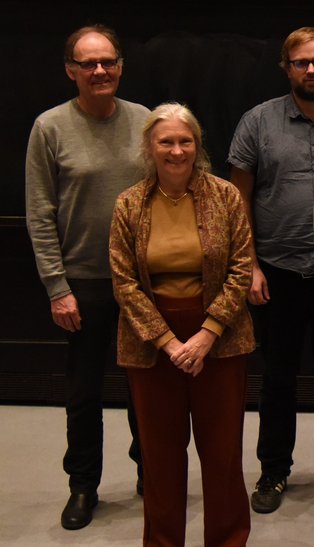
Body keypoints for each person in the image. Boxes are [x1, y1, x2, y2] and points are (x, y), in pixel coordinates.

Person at [110, 103, 255, 546]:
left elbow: (241, 268)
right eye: (166, 142)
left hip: (220, 341)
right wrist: (171, 343)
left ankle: (227, 539)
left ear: (198, 145)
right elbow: (125, 282)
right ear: (150, 147)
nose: (176, 151)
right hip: (152, 345)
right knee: (160, 458)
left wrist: (207, 334)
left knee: (222, 456)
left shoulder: (225, 196)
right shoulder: (129, 203)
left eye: (185, 140)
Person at [227, 26, 314, 513]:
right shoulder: (258, 121)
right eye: (301, 62)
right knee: (277, 379)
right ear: (286, 68)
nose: (310, 70)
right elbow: (236, 197)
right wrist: (250, 266)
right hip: (275, 273)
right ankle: (274, 471)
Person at [25, 24, 147, 530]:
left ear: (120, 65)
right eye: (89, 63)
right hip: (83, 281)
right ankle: (83, 485)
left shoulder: (144, 121)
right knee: (84, 393)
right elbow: (39, 211)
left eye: (108, 61)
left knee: (146, 388)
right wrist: (58, 288)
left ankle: (153, 473)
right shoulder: (49, 127)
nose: (100, 71)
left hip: (142, 281)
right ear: (71, 71)